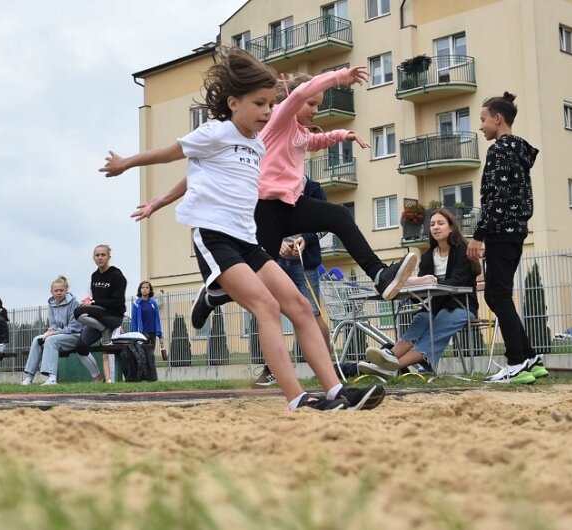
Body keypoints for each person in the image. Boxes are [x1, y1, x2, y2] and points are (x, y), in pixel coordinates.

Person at [99, 47, 384, 411]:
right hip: (214, 237)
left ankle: (334, 391)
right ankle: (297, 398)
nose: (267, 112)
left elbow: (201, 175)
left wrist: (336, 136)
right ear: (233, 103)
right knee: (266, 305)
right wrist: (130, 166)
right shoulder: (214, 133)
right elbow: (173, 156)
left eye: (270, 105)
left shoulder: (258, 143)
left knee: (298, 304)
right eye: (260, 104)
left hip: (247, 240)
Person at [132, 66, 418, 329]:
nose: (315, 109)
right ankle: (212, 298)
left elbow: (314, 140)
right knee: (259, 283)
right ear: (295, 100)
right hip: (263, 209)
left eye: (318, 105)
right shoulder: (280, 117)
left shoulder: (298, 132)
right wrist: (340, 76)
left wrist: (344, 134)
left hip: (290, 206)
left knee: (339, 216)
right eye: (311, 104)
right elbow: (302, 93)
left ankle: (380, 275)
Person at [467, 91, 546, 384]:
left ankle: (517, 361)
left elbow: (496, 198)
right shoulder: (518, 151)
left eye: (483, 119)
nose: (481, 126)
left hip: (502, 230)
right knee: (501, 293)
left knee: (496, 295)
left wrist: (479, 235)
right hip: (514, 231)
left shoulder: (499, 150)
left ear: (498, 119)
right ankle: (530, 357)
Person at [358, 209, 480, 378]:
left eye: (440, 223)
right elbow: (424, 288)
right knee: (420, 321)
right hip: (433, 306)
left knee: (437, 326)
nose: (435, 227)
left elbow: (458, 281)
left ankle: (389, 367)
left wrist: (434, 282)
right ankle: (389, 358)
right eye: (432, 224)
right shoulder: (428, 256)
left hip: (461, 305)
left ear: (451, 228)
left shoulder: (462, 251)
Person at [253, 175, 331, 388]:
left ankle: (327, 366)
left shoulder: (313, 188)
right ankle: (273, 369)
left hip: (304, 262)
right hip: (272, 260)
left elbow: (323, 221)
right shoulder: (265, 184)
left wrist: (305, 239)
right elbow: (257, 220)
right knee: (268, 312)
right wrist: (274, 241)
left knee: (312, 313)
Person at [21, 276, 90, 385]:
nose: (59, 293)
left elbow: (74, 328)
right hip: (58, 336)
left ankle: (52, 378)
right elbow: (53, 325)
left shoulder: (74, 303)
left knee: (51, 340)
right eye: (56, 290)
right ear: (51, 292)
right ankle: (29, 377)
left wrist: (53, 333)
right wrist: (49, 332)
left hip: (75, 336)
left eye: (61, 290)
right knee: (37, 340)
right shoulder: (52, 304)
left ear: (66, 291)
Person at [73, 244, 127, 383]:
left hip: (113, 317)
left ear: (109, 257)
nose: (100, 257)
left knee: (78, 312)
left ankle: (105, 330)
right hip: (99, 320)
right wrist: (90, 302)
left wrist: (94, 303)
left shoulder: (117, 275)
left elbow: (117, 302)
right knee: (81, 347)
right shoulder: (94, 276)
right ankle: (97, 377)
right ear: (93, 258)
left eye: (103, 255)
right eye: (97, 255)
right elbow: (95, 301)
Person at [131, 280, 165, 359]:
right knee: (142, 355)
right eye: (142, 287)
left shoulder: (153, 303)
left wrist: (160, 336)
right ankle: (144, 371)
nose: (144, 289)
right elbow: (134, 321)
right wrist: (134, 336)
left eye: (147, 287)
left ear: (150, 290)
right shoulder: (136, 304)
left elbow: (157, 319)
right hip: (142, 334)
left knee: (150, 355)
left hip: (152, 333)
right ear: (140, 290)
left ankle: (150, 371)